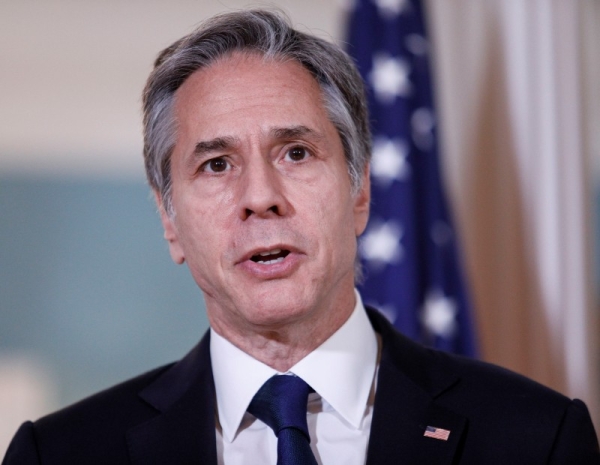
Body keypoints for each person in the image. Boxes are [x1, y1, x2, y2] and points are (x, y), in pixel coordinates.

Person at [3, 9, 599, 465]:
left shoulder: (534, 438)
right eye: (216, 164)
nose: (260, 195)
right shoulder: (60, 455)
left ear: (360, 190)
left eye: (295, 152)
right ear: (169, 218)